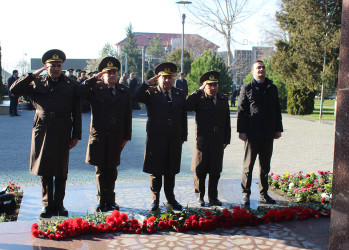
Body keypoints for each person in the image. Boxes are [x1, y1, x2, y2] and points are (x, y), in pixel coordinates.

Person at [9, 49, 82, 218]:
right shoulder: (37, 83)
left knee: (61, 170)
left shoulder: (71, 84)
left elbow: (77, 111)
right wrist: (32, 75)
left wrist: (76, 134)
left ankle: (59, 204)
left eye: (58, 65)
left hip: (63, 129)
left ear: (62, 66)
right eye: (52, 65)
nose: (56, 68)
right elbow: (14, 90)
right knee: (45, 169)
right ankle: (47, 205)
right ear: (45, 66)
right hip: (42, 129)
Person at [77, 57, 132, 212]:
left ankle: (111, 200)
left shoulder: (124, 91)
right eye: (108, 73)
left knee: (112, 169)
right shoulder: (95, 89)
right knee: (101, 170)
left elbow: (128, 115)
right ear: (103, 74)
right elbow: (79, 92)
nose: (112, 76)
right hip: (99, 135)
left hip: (116, 136)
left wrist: (126, 137)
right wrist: (94, 79)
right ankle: (102, 200)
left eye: (114, 73)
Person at [134, 62, 187, 211]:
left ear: (173, 78)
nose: (167, 80)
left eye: (170, 77)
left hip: (174, 139)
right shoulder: (151, 93)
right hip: (156, 139)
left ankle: (170, 199)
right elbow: (136, 96)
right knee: (156, 171)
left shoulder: (179, 94)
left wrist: (183, 136)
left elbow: (183, 116)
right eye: (164, 77)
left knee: (171, 170)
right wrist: (146, 83)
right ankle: (155, 199)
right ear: (159, 78)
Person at [237, 60, 283, 205]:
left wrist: (278, 129)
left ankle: (264, 194)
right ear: (253, 71)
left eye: (263, 68)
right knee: (248, 166)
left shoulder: (272, 88)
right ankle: (246, 193)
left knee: (265, 166)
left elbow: (277, 109)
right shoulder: (247, 88)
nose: (261, 70)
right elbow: (241, 111)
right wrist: (242, 131)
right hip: (252, 133)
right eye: (258, 68)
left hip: (268, 133)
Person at [186, 71, 231, 207]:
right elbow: (187, 106)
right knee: (200, 169)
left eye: (215, 85)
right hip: (202, 140)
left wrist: (226, 139)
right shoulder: (199, 98)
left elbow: (227, 121)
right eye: (209, 85)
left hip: (218, 140)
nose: (213, 88)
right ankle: (199, 196)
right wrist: (197, 91)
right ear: (204, 86)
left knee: (215, 170)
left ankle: (213, 197)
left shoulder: (223, 99)